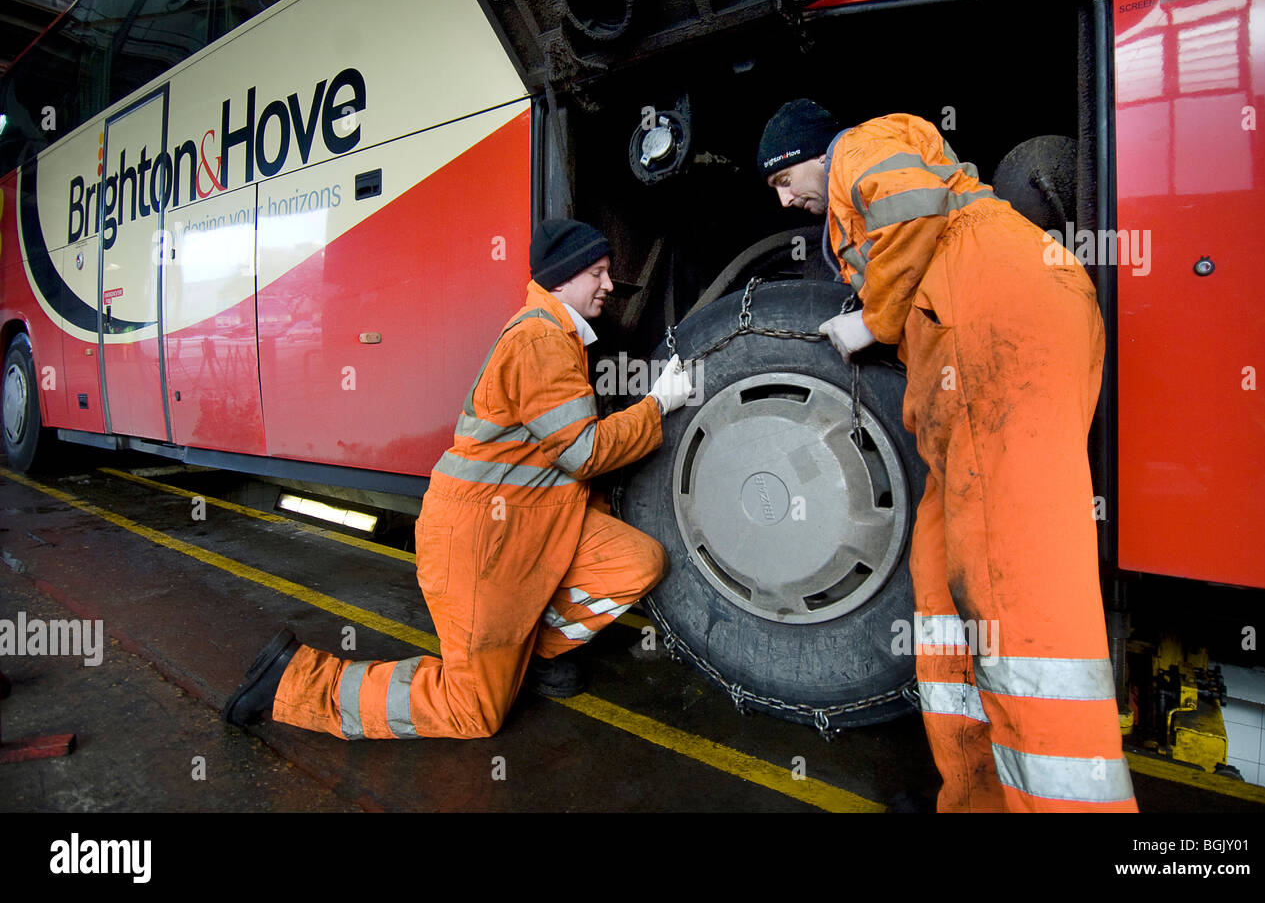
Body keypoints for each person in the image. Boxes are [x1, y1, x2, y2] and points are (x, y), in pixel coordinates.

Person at [757, 100, 1137, 812]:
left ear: (812, 153)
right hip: (976, 345)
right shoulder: (862, 183)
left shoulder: (864, 146)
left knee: (1016, 591)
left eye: (783, 181)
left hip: (995, 317)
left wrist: (872, 319)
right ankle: (975, 795)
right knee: (942, 581)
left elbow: (910, 204)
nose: (788, 201)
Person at [223, 218, 694, 739]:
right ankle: (296, 684)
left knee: (636, 562)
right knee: (473, 710)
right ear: (563, 279)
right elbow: (582, 453)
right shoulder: (540, 338)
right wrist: (658, 406)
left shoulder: (556, 334)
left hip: (529, 527)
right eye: (599, 273)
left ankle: (532, 651)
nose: (610, 285)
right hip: (481, 544)